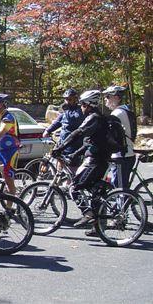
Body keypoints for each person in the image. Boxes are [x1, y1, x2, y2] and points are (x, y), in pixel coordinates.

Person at [51, 90, 111, 230]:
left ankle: (88, 214)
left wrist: (61, 147)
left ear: (89, 105)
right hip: (101, 158)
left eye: (83, 104)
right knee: (95, 191)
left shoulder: (93, 118)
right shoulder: (99, 118)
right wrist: (75, 154)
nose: (81, 107)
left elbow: (78, 133)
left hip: (96, 160)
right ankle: (98, 227)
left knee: (74, 187)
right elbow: (89, 142)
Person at [102, 85, 136, 188]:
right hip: (128, 154)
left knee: (119, 188)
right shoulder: (125, 110)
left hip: (121, 156)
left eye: (108, 96)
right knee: (121, 186)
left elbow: (109, 134)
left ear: (116, 98)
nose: (105, 99)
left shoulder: (117, 113)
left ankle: (123, 203)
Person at [43, 89, 84, 161]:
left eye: (69, 99)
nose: (67, 101)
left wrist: (66, 110)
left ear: (75, 100)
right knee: (57, 162)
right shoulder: (66, 111)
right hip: (62, 143)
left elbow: (73, 119)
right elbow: (58, 122)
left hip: (73, 145)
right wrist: (48, 130)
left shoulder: (80, 110)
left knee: (71, 167)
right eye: (66, 99)